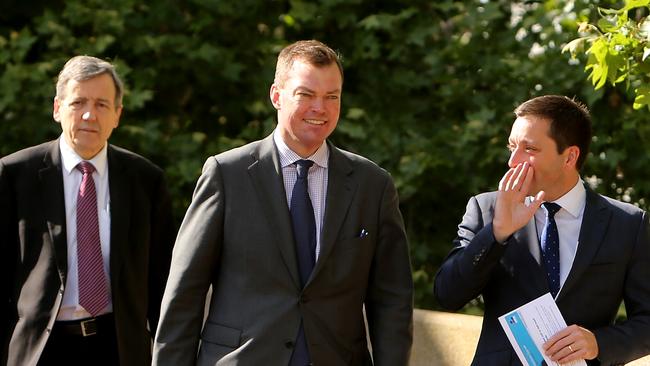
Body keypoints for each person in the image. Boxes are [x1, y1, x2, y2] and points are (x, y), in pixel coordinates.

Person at [152, 40, 413, 365]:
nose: (321, 108)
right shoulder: (227, 174)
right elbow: (185, 293)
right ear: (277, 95)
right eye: (306, 94)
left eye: (332, 96)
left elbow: (392, 301)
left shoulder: (372, 185)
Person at [434, 95, 650, 365]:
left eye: (530, 149)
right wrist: (497, 232)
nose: (513, 161)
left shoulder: (628, 223)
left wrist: (598, 343)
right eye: (512, 146)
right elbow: (447, 294)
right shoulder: (486, 209)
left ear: (570, 156)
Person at [0, 55, 175, 366]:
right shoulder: (15, 175)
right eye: (78, 102)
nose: (89, 115)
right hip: (39, 349)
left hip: (118, 348)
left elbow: (161, 279)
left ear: (117, 115)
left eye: (102, 105)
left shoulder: (146, 181)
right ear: (57, 108)